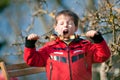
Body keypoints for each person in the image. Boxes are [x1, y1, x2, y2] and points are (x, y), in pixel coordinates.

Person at [24, 10, 111, 80]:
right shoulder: (49, 47)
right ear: (56, 28)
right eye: (61, 23)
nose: (65, 25)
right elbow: (32, 60)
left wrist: (98, 39)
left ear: (76, 28)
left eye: (69, 23)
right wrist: (30, 44)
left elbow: (103, 56)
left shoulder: (85, 45)